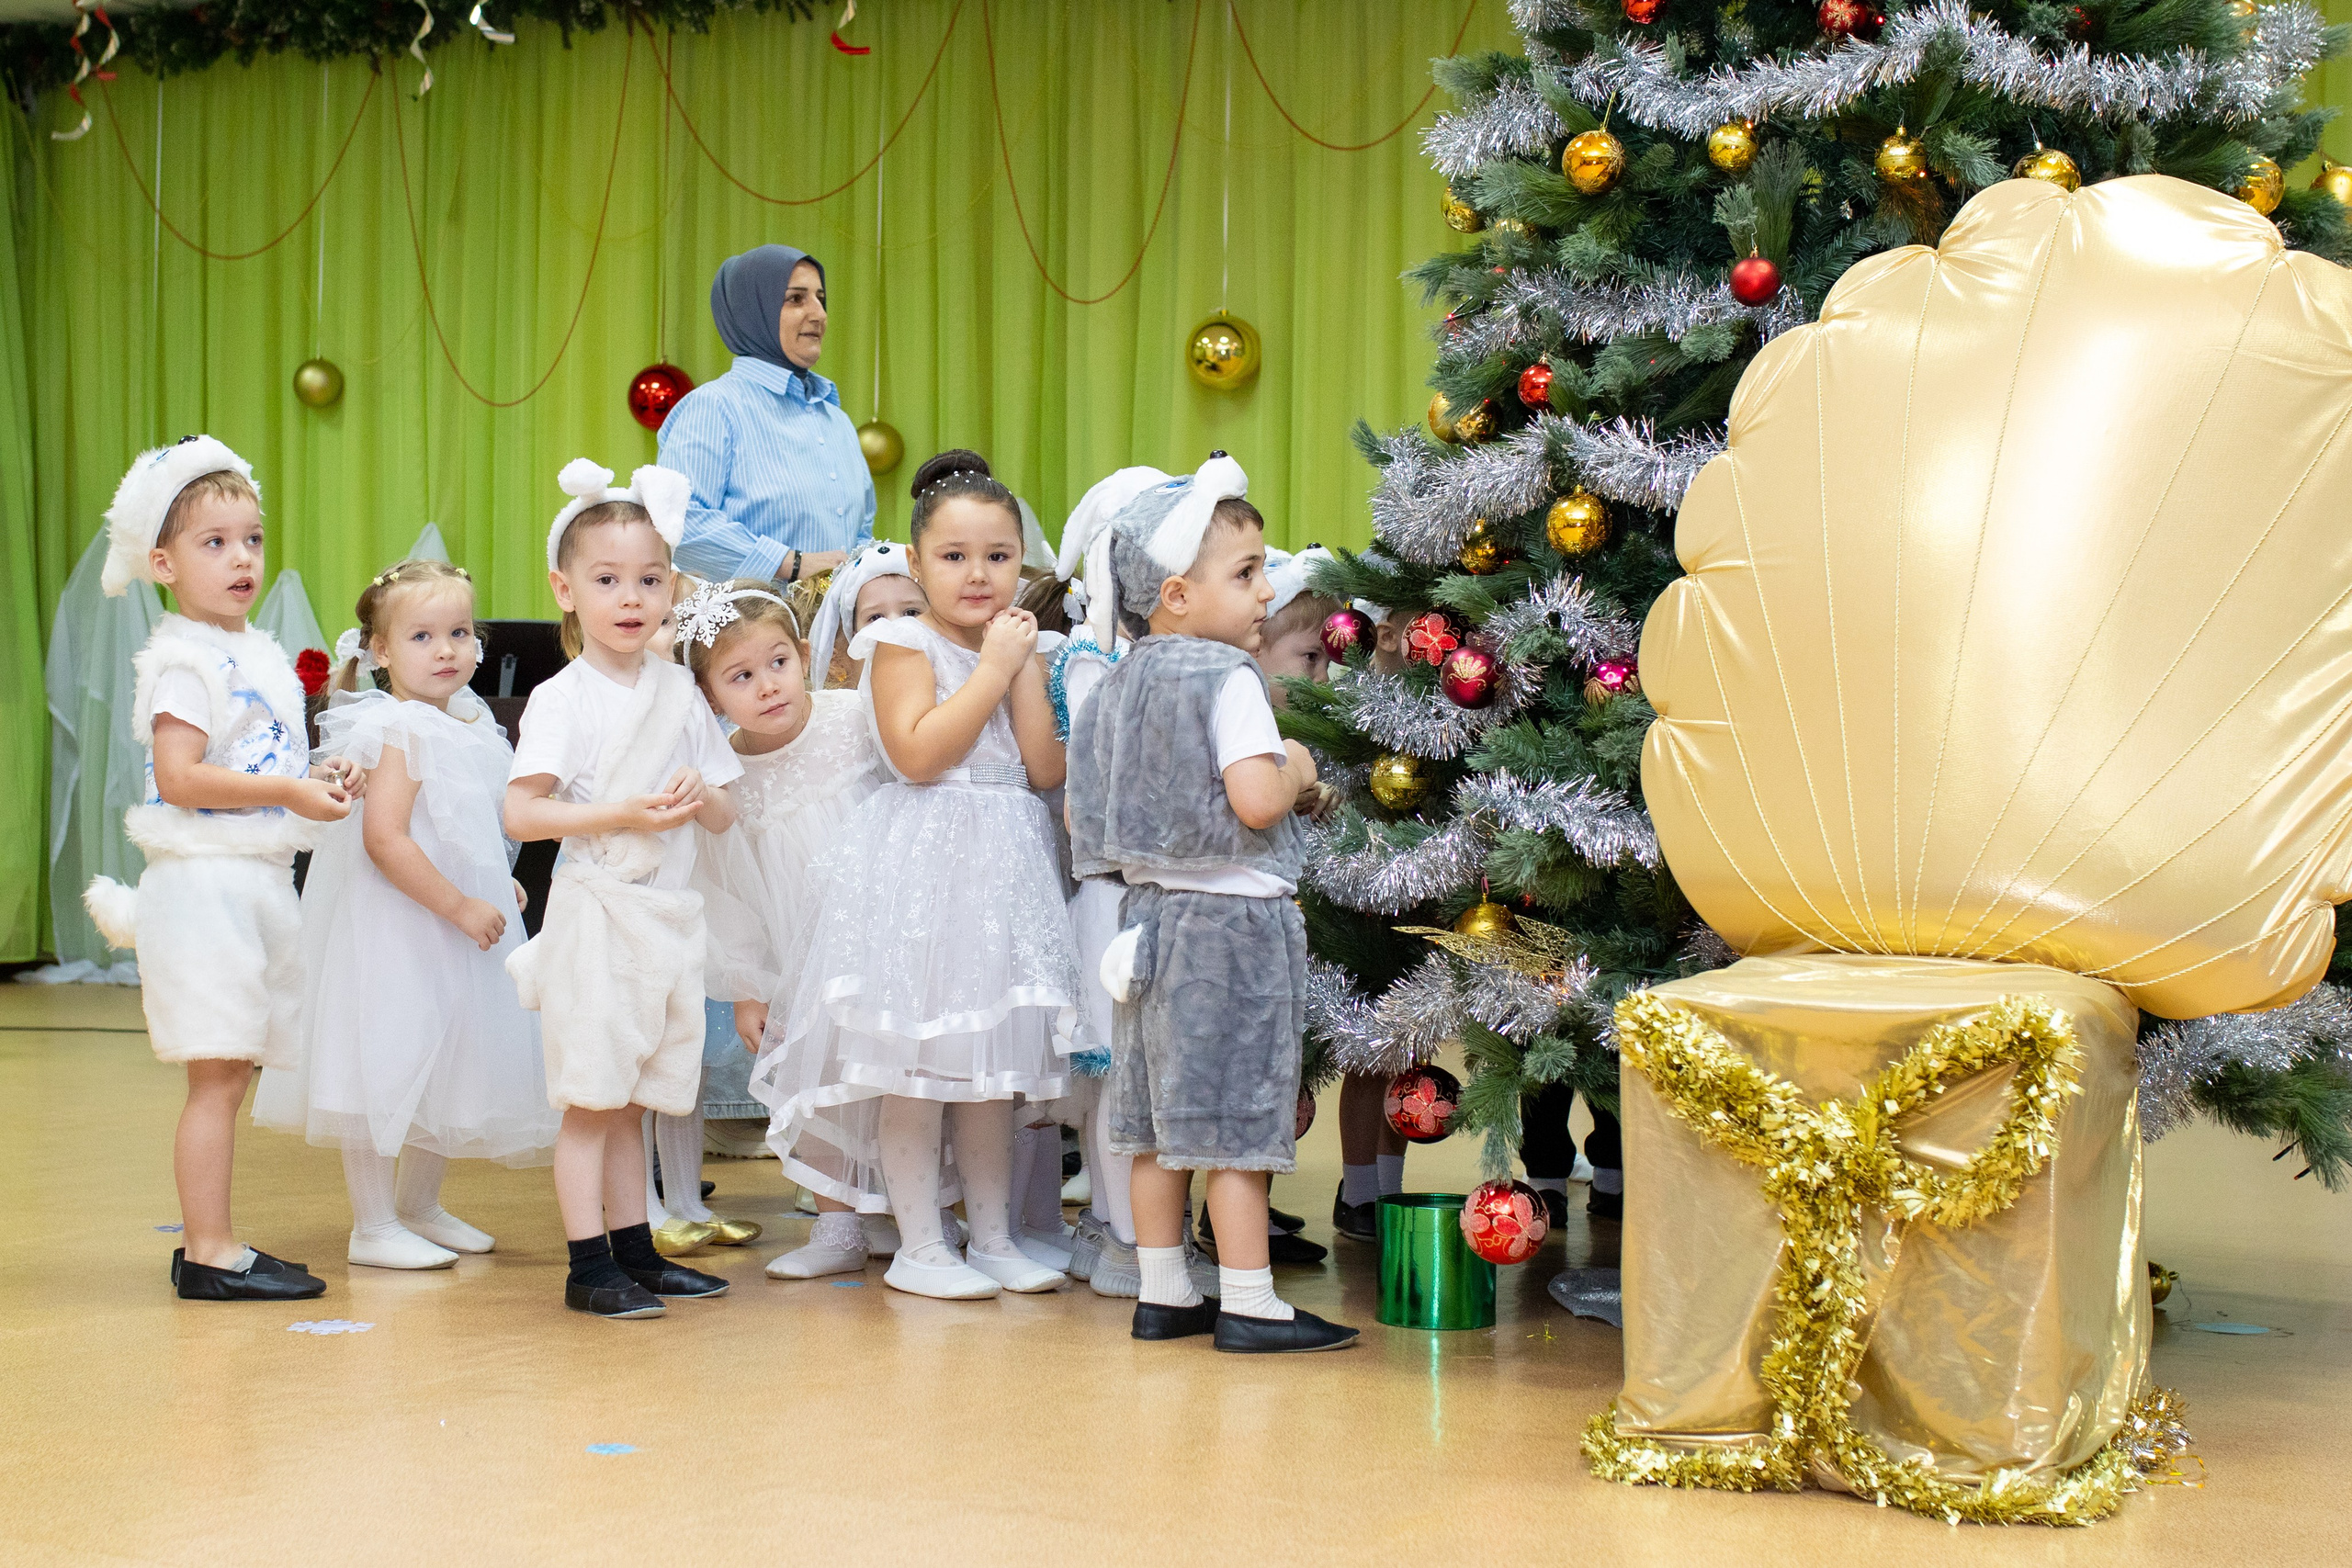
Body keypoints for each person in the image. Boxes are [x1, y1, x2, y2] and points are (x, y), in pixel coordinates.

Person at [763, 450, 1079, 1302]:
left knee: (987, 1077)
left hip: (1004, 867)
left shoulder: (1021, 643)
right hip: (925, 870)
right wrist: (994, 669)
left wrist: (1023, 668)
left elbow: (1044, 769)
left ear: (1021, 562)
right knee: (917, 1065)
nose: (978, 574)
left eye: (998, 556)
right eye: (954, 555)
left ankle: (995, 1236)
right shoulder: (901, 642)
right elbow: (918, 754)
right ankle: (920, 1244)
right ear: (916, 561)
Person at [1067, 453, 1358, 1353]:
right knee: (1236, 1122)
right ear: (1175, 594)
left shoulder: (1117, 682)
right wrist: (1297, 766)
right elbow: (1257, 800)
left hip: (1148, 925)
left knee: (1156, 1122)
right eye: (1246, 572)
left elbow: (1085, 815)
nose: (1267, 590)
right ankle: (1249, 1301)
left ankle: (1163, 1292)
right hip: (1231, 929)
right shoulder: (1228, 678)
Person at [84, 436, 356, 1303]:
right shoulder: (183, 661)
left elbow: (256, 759)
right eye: (215, 543)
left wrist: (316, 777)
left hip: (250, 883)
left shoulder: (255, 652)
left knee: (233, 1071)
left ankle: (218, 1242)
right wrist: (286, 789)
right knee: (216, 1075)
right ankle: (208, 1251)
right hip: (204, 889)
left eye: (252, 538)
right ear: (162, 564)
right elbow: (180, 779)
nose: (242, 558)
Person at [254, 559, 557, 1269]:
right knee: (383, 1059)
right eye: (422, 636)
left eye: (460, 632)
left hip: (450, 919)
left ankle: (421, 1204)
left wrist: (495, 883)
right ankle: (373, 1223)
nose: (446, 649)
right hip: (396, 923)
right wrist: (459, 901)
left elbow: (464, 825)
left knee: (450, 1055)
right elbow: (386, 839)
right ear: (381, 650)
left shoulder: (471, 723)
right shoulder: (395, 727)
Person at [503, 459, 743, 1320]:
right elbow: (522, 812)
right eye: (607, 580)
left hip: (666, 919)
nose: (630, 598)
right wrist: (623, 813)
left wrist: (699, 792)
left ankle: (637, 1251)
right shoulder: (563, 697)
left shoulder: (679, 690)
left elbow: (724, 813)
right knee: (591, 1099)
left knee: (637, 1096)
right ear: (565, 589)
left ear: (672, 586)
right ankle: (586, 1263)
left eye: (649, 579)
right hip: (598, 914)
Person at [673, 576, 897, 1280]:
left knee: (895, 1075)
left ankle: (910, 1210)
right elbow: (727, 891)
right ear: (711, 695)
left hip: (887, 935)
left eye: (777, 662)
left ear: (804, 656)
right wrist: (748, 987)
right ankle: (838, 1224)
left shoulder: (854, 717)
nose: (767, 685)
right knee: (818, 1078)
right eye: (741, 676)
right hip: (800, 959)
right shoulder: (724, 774)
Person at [662, 244, 876, 589]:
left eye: (821, 298)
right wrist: (790, 563)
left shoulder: (836, 420)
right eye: (796, 299)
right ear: (753, 312)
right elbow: (680, 523)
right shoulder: (714, 407)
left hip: (838, 622)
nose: (819, 314)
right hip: (747, 621)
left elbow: (861, 533)